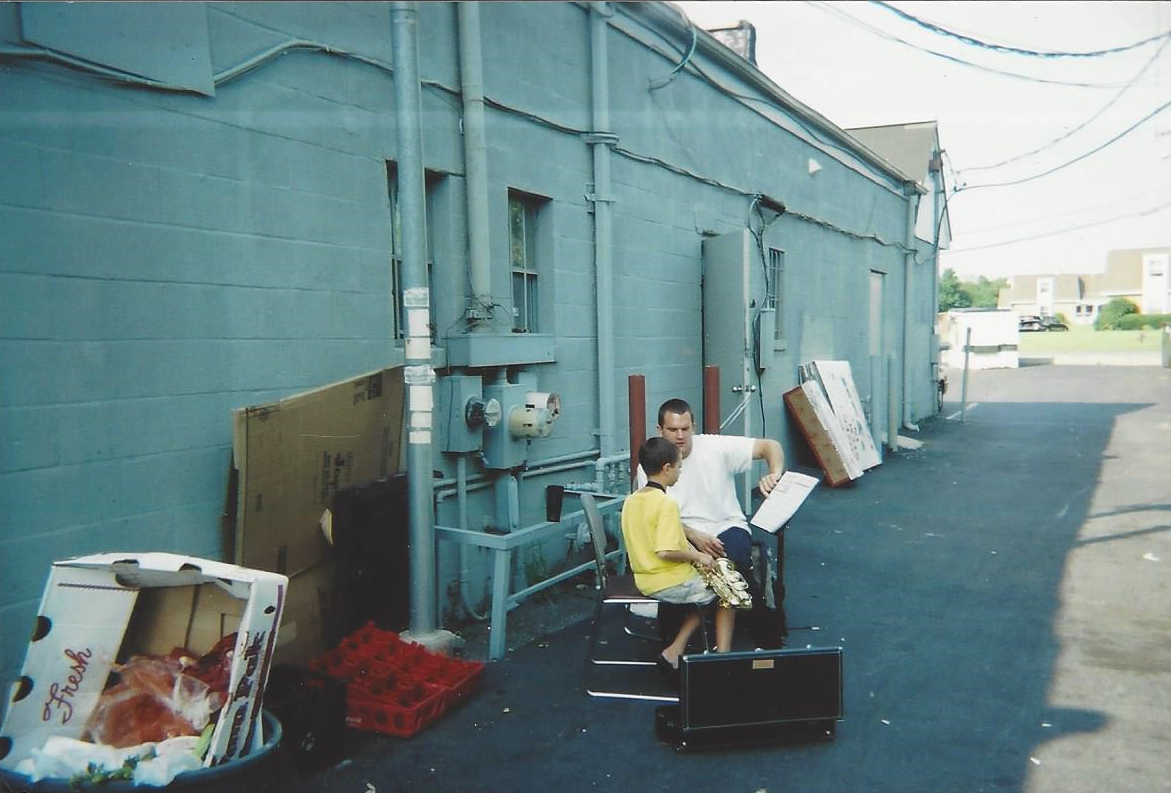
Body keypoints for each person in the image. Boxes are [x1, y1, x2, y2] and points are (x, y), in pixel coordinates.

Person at [637, 398, 787, 649]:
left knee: (732, 562)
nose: (680, 436)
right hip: (680, 534)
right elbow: (652, 519)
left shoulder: (715, 446)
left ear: (693, 426)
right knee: (700, 574)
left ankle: (735, 641)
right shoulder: (651, 467)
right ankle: (685, 644)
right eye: (673, 430)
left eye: (686, 428)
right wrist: (694, 536)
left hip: (726, 525)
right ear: (659, 430)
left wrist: (775, 472)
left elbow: (770, 446)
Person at [622, 437, 735, 674]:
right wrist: (699, 558)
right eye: (679, 467)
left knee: (712, 589)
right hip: (667, 580)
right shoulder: (666, 504)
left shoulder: (632, 501)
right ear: (667, 468)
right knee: (727, 591)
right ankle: (722, 658)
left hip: (644, 578)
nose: (680, 472)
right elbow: (665, 551)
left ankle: (675, 650)